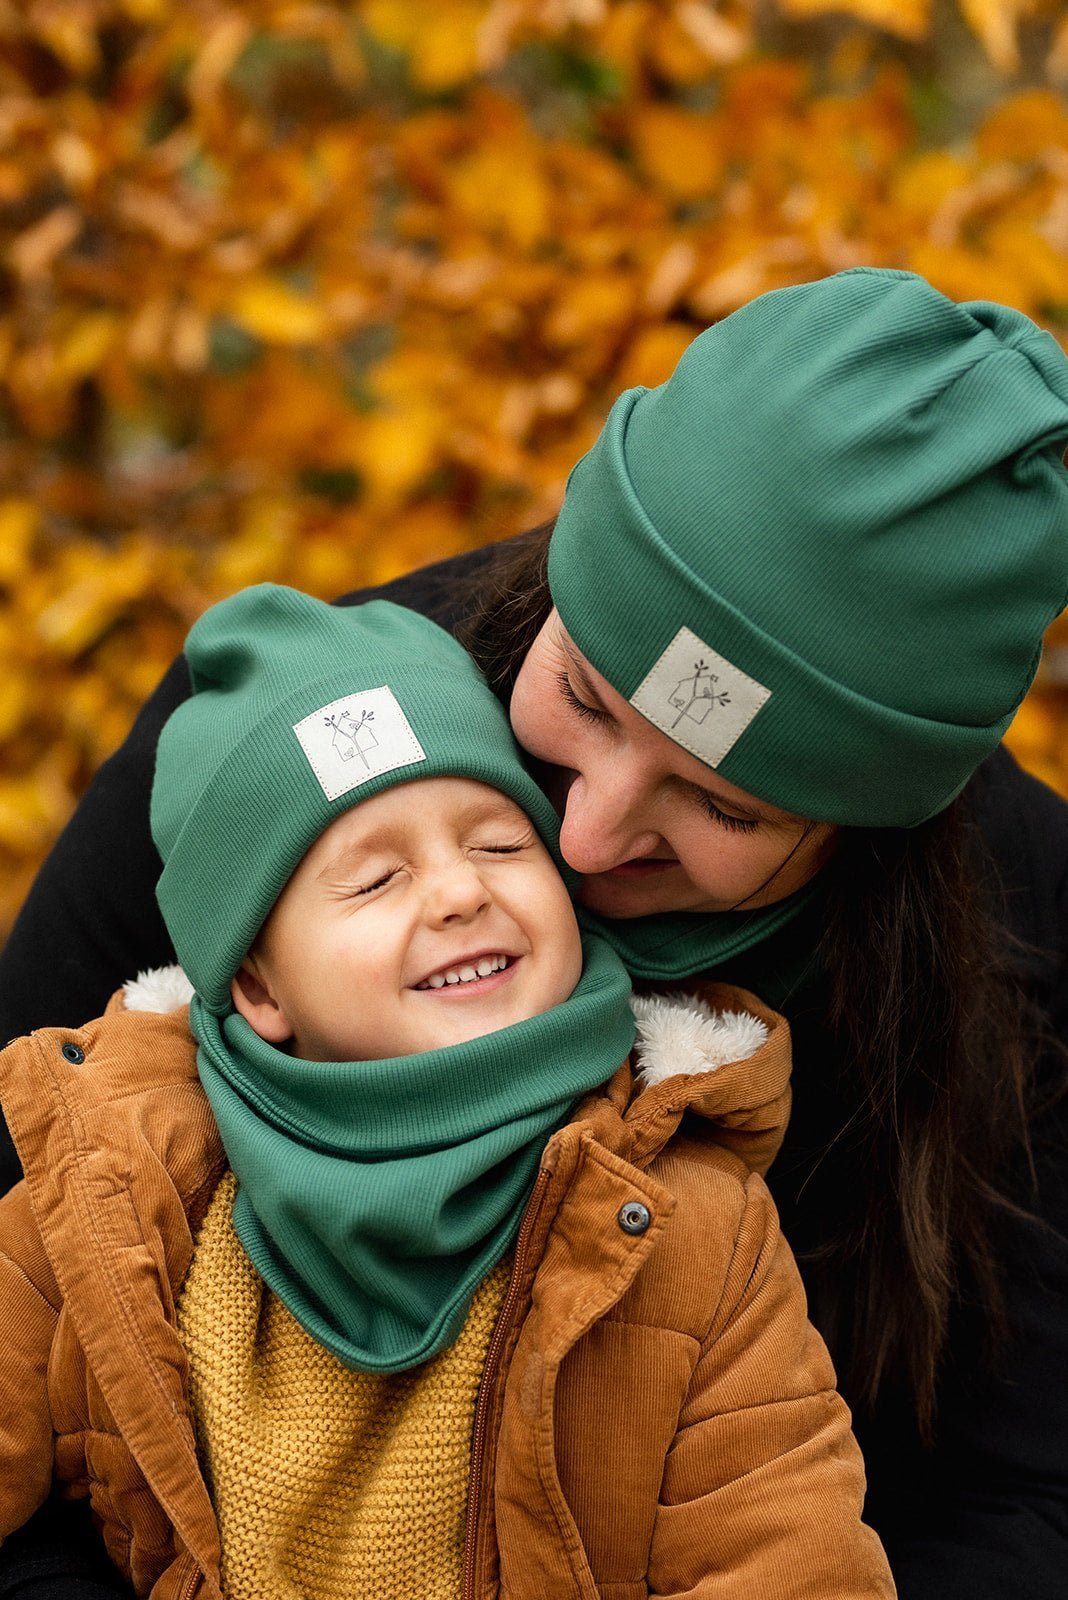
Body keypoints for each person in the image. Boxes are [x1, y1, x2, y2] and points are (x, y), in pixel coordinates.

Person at [0, 266, 1065, 1598]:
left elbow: (1027, 1498)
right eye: (584, 694)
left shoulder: (1027, 951)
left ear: (870, 829)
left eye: (722, 801)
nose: (586, 840)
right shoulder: (270, 769)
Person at [0, 584, 895, 1600]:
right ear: (256, 984)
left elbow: (787, 1553)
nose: (462, 891)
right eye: (375, 880)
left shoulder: (692, 1227)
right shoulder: (116, 1181)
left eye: (500, 843)